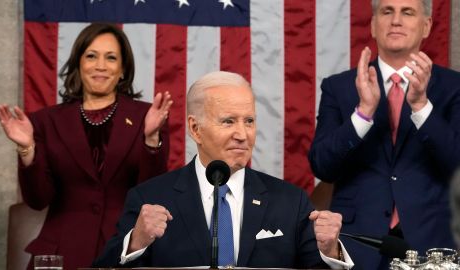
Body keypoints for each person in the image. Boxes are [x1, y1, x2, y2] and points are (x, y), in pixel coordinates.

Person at [93, 71, 354, 269]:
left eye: (249, 121)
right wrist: (136, 241)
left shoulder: (291, 201)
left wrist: (331, 252)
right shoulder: (149, 199)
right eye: (228, 121)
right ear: (195, 129)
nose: (242, 134)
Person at [0, 23, 172, 270]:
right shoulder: (45, 121)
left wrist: (151, 140)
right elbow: (38, 200)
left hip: (125, 250)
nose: (100, 65)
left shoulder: (148, 117)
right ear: (79, 63)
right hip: (62, 252)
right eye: (91, 56)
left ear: (122, 69)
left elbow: (153, 194)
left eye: (111, 58)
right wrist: (28, 150)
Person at [308, 0, 460, 269]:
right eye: (387, 11)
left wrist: (422, 107)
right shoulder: (339, 87)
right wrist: (363, 114)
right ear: (373, 25)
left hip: (433, 243)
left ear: (426, 26)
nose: (396, 20)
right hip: (357, 243)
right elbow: (322, 166)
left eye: (407, 12)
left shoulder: (454, 87)